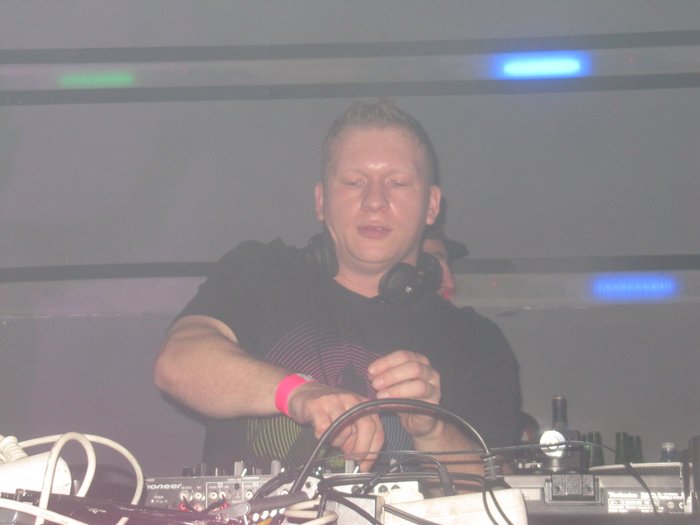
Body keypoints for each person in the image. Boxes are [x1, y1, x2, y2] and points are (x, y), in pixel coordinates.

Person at [154, 100, 521, 478]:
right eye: (353, 182)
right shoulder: (261, 272)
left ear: (431, 205)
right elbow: (177, 363)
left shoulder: (476, 342)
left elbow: (497, 493)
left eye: (397, 183)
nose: (374, 201)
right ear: (321, 201)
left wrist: (432, 429)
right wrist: (298, 393)